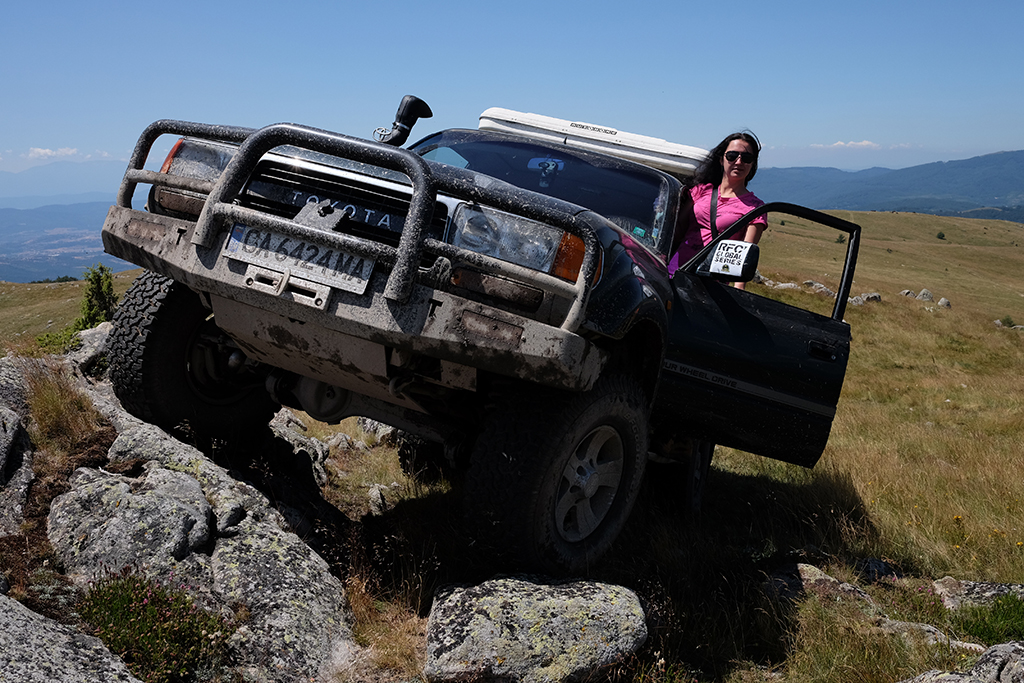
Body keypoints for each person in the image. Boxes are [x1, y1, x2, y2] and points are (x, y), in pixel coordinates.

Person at [667, 132, 767, 288]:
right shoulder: (701, 191)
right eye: (732, 156)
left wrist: (738, 291)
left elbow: (744, 259)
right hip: (675, 272)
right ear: (721, 159)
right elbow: (677, 230)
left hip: (712, 284)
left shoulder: (755, 208)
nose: (739, 162)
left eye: (747, 158)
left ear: (753, 164)